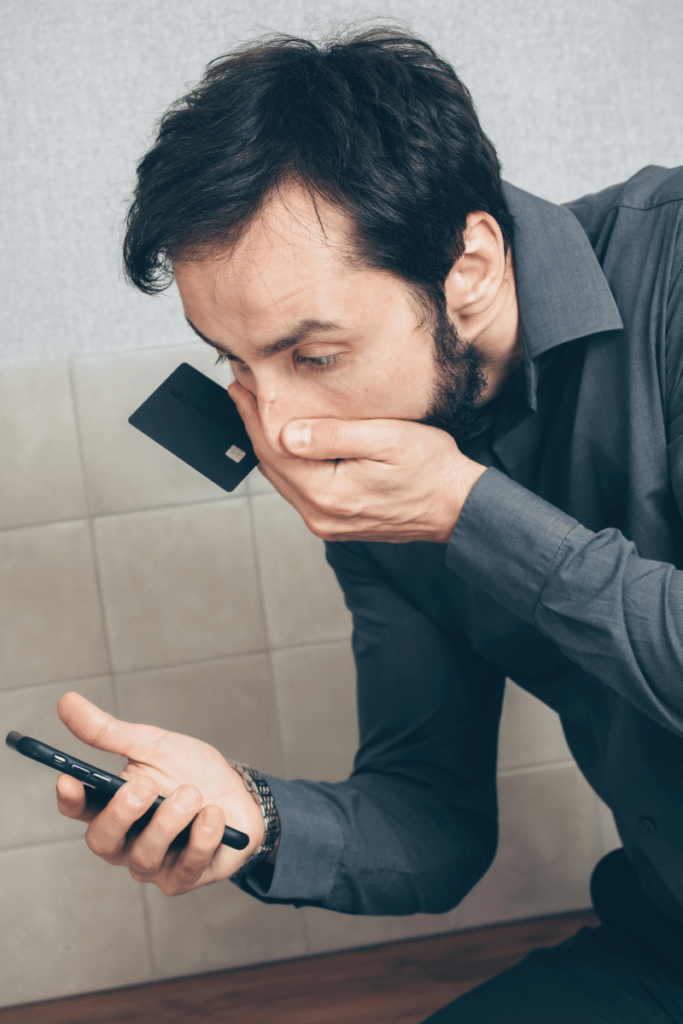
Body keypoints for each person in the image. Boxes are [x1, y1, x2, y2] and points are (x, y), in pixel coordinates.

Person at [56, 27, 683, 1021]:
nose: (280, 432)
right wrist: (249, 816)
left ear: (466, 267)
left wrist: (468, 511)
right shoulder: (380, 480)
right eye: (232, 362)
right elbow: (433, 820)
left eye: (311, 354)